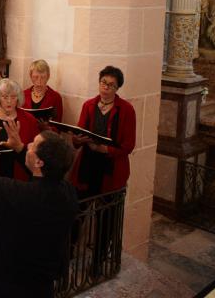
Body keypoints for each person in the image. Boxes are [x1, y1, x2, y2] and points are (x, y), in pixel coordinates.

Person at [0, 109, 79, 298]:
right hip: (42, 285)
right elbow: (42, 177)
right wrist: (20, 148)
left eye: (32, 145)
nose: (28, 144)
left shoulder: (18, 194)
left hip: (7, 284)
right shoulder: (67, 191)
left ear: (39, 162)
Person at [69, 66, 136, 276]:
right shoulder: (89, 105)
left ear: (117, 88)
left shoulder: (126, 110)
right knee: (76, 213)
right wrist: (78, 140)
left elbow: (128, 145)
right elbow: (77, 135)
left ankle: (97, 262)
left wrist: (104, 148)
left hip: (111, 170)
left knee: (106, 219)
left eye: (111, 85)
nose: (106, 88)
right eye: (103, 83)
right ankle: (68, 251)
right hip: (87, 167)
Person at [0, 78, 39, 279]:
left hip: (18, 179)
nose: (9, 101)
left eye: (12, 96)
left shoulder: (28, 120)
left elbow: (34, 151)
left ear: (18, 98)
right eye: (4, 96)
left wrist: (21, 147)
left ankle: (11, 262)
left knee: (14, 226)